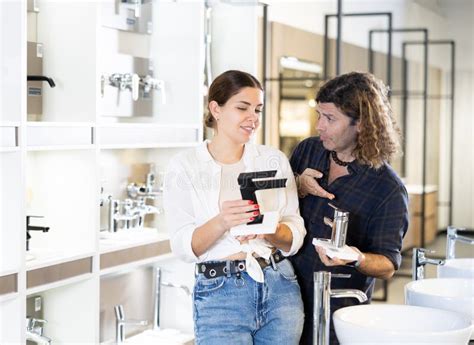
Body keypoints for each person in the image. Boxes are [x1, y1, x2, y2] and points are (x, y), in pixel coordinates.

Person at [163, 70, 306, 345]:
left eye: (257, 109)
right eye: (242, 108)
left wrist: (270, 231)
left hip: (280, 288)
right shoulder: (184, 167)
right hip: (220, 295)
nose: (253, 118)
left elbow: (295, 231)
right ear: (215, 109)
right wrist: (223, 221)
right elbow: (184, 247)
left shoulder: (273, 160)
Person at [289, 72, 409, 345]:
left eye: (330, 119)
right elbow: (277, 206)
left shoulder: (387, 190)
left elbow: (388, 265)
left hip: (336, 311)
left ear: (362, 124)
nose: (319, 126)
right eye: (319, 114)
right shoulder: (308, 151)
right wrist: (297, 184)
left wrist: (355, 256)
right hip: (285, 298)